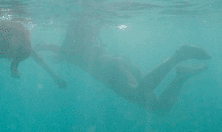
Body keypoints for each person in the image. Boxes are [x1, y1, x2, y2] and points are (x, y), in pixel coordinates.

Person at [37, 19, 211, 113]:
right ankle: (181, 76)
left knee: (138, 93)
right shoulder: (82, 46)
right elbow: (66, 50)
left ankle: (178, 56)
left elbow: (63, 50)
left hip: (109, 69)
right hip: (120, 61)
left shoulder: (72, 49)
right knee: (159, 108)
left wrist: (46, 46)